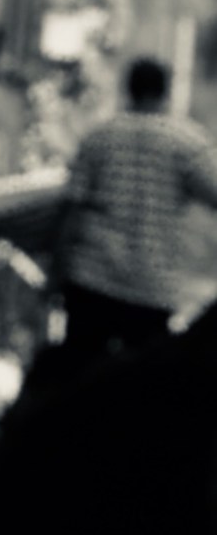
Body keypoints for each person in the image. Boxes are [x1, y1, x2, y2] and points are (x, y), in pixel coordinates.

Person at [53, 55, 217, 365]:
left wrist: (56, 273)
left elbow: (70, 212)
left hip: (91, 280)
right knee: (140, 393)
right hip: (151, 289)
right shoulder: (186, 143)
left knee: (78, 381)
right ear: (165, 91)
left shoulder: (99, 137)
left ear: (128, 89)